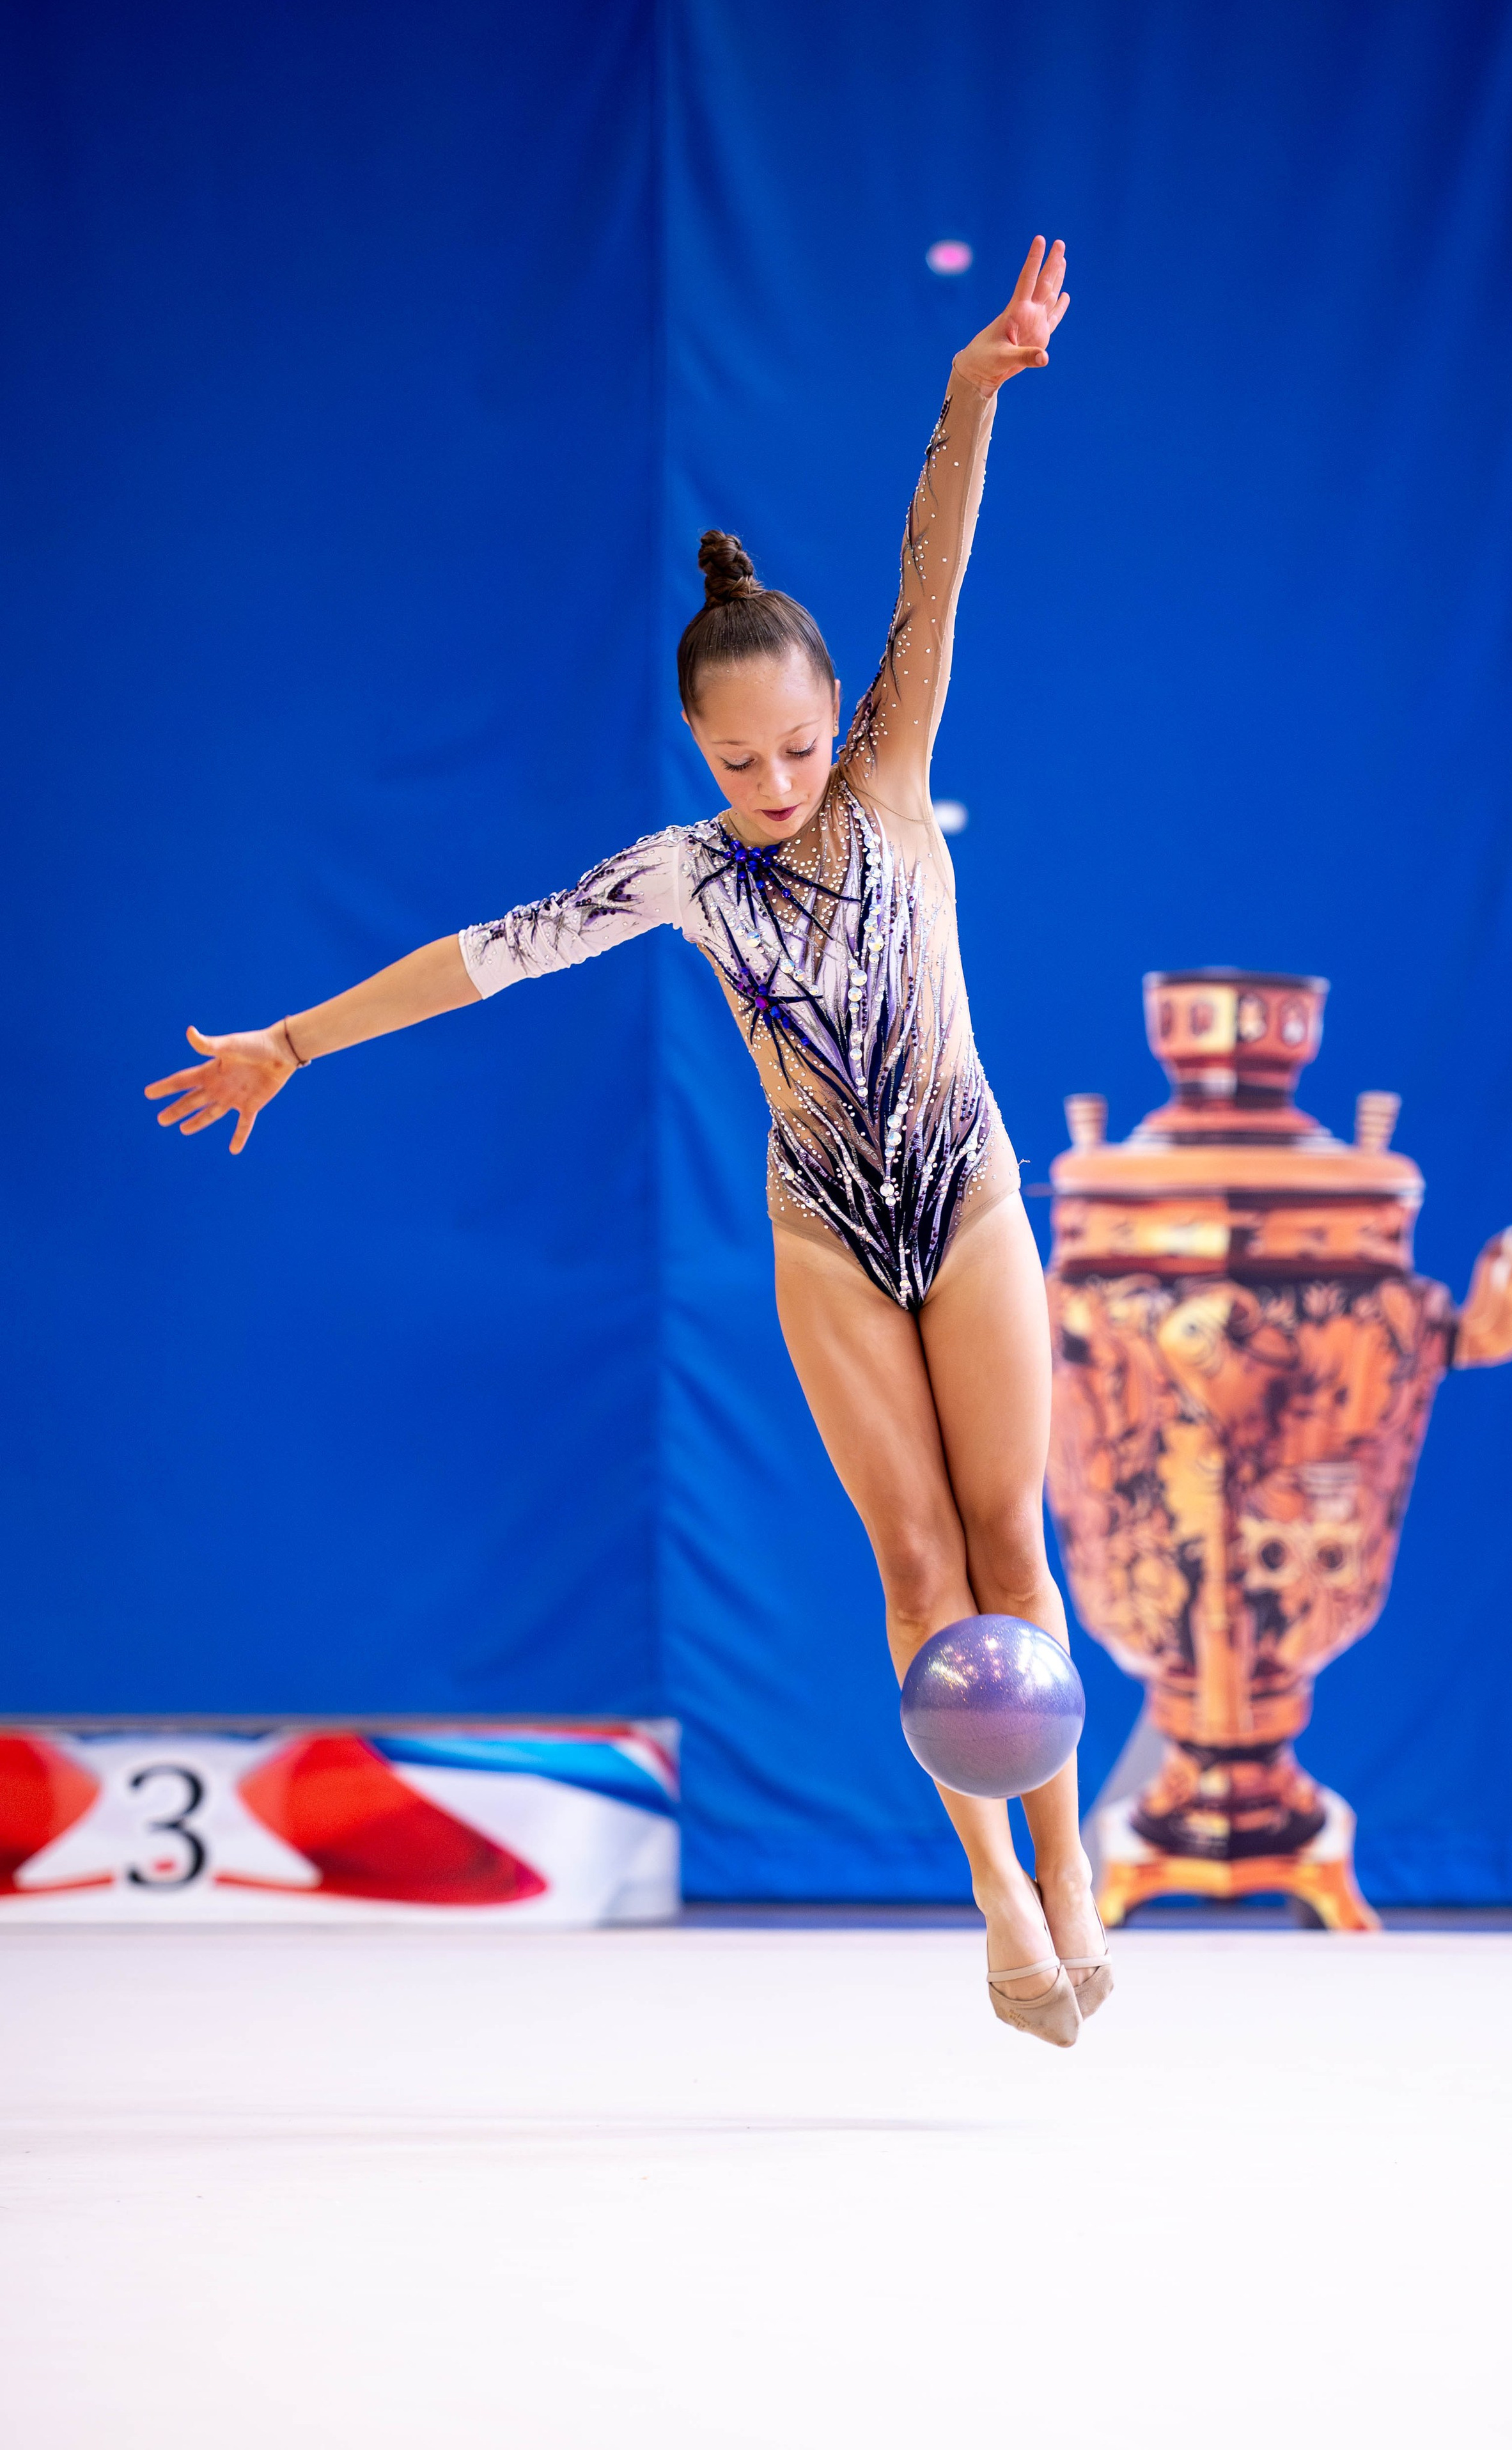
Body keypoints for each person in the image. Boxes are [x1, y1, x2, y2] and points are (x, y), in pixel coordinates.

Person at [146, 236, 1111, 2047]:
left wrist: (972, 392)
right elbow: (478, 960)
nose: (774, 786)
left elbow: (933, 568)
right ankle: (992, 1896)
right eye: (740, 765)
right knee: (914, 1561)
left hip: (966, 1193)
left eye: (798, 751)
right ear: (697, 747)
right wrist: (292, 1038)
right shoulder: (678, 874)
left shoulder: (892, 764)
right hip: (829, 1219)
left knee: (1008, 1532)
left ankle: (1070, 1868)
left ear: (837, 721)